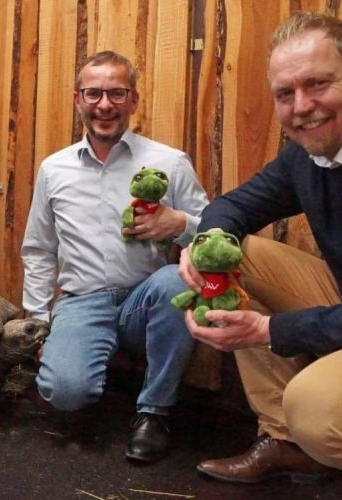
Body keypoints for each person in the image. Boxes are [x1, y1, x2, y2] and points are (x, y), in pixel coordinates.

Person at [178, 11, 342, 483]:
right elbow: (231, 207)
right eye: (286, 93)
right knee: (242, 252)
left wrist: (270, 329)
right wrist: (202, 248)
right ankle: (286, 442)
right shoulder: (306, 152)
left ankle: (317, 435)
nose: (302, 106)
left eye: (318, 84)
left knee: (317, 407)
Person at [21, 51, 209, 463]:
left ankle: (153, 412)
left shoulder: (169, 162)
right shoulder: (53, 170)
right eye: (93, 93)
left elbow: (211, 230)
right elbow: (39, 248)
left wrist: (179, 223)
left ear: (134, 101)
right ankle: (89, 371)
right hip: (81, 301)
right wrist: (36, 320)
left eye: (116, 93)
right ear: (78, 100)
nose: (104, 104)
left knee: (176, 280)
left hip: (147, 297)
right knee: (66, 394)